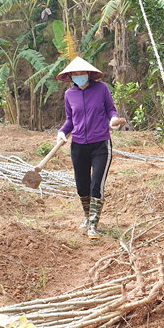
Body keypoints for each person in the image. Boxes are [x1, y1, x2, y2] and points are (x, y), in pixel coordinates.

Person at [56, 56, 123, 239]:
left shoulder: (101, 89)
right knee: (81, 186)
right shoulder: (69, 95)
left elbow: (111, 109)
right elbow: (70, 120)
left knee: (96, 185)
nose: (79, 76)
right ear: (70, 76)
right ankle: (87, 217)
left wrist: (113, 120)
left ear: (89, 74)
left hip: (100, 144)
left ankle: (93, 224)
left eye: (82, 73)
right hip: (78, 145)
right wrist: (62, 132)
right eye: (75, 74)